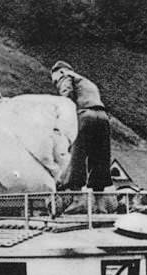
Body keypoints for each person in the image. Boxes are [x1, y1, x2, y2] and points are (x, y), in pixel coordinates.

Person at [49, 60, 111, 191]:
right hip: (103, 117)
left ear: (61, 71)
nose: (56, 83)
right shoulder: (88, 82)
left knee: (77, 153)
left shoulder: (66, 76)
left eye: (55, 81)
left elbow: (67, 96)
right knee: (99, 155)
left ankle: (74, 189)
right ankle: (99, 193)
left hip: (85, 116)